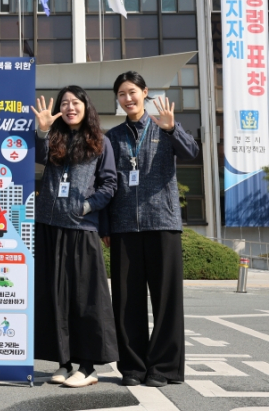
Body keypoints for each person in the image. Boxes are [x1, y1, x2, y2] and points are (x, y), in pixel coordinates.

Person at [104, 71, 199, 388]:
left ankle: (164, 368)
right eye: (121, 94)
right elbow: (107, 182)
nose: (127, 98)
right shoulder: (113, 137)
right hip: (124, 227)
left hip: (163, 223)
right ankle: (133, 366)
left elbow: (191, 153)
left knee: (166, 299)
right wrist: (105, 226)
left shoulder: (164, 127)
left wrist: (173, 130)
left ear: (145, 93)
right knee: (126, 301)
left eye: (132, 91)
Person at [32, 86, 119, 388]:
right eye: (65, 103)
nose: (70, 107)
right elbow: (38, 157)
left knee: (85, 299)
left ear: (86, 106)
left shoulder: (101, 142)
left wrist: (86, 207)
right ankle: (63, 362)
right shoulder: (53, 138)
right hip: (49, 226)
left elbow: (109, 184)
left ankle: (88, 366)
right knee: (54, 298)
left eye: (75, 102)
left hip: (82, 229)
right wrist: (42, 131)